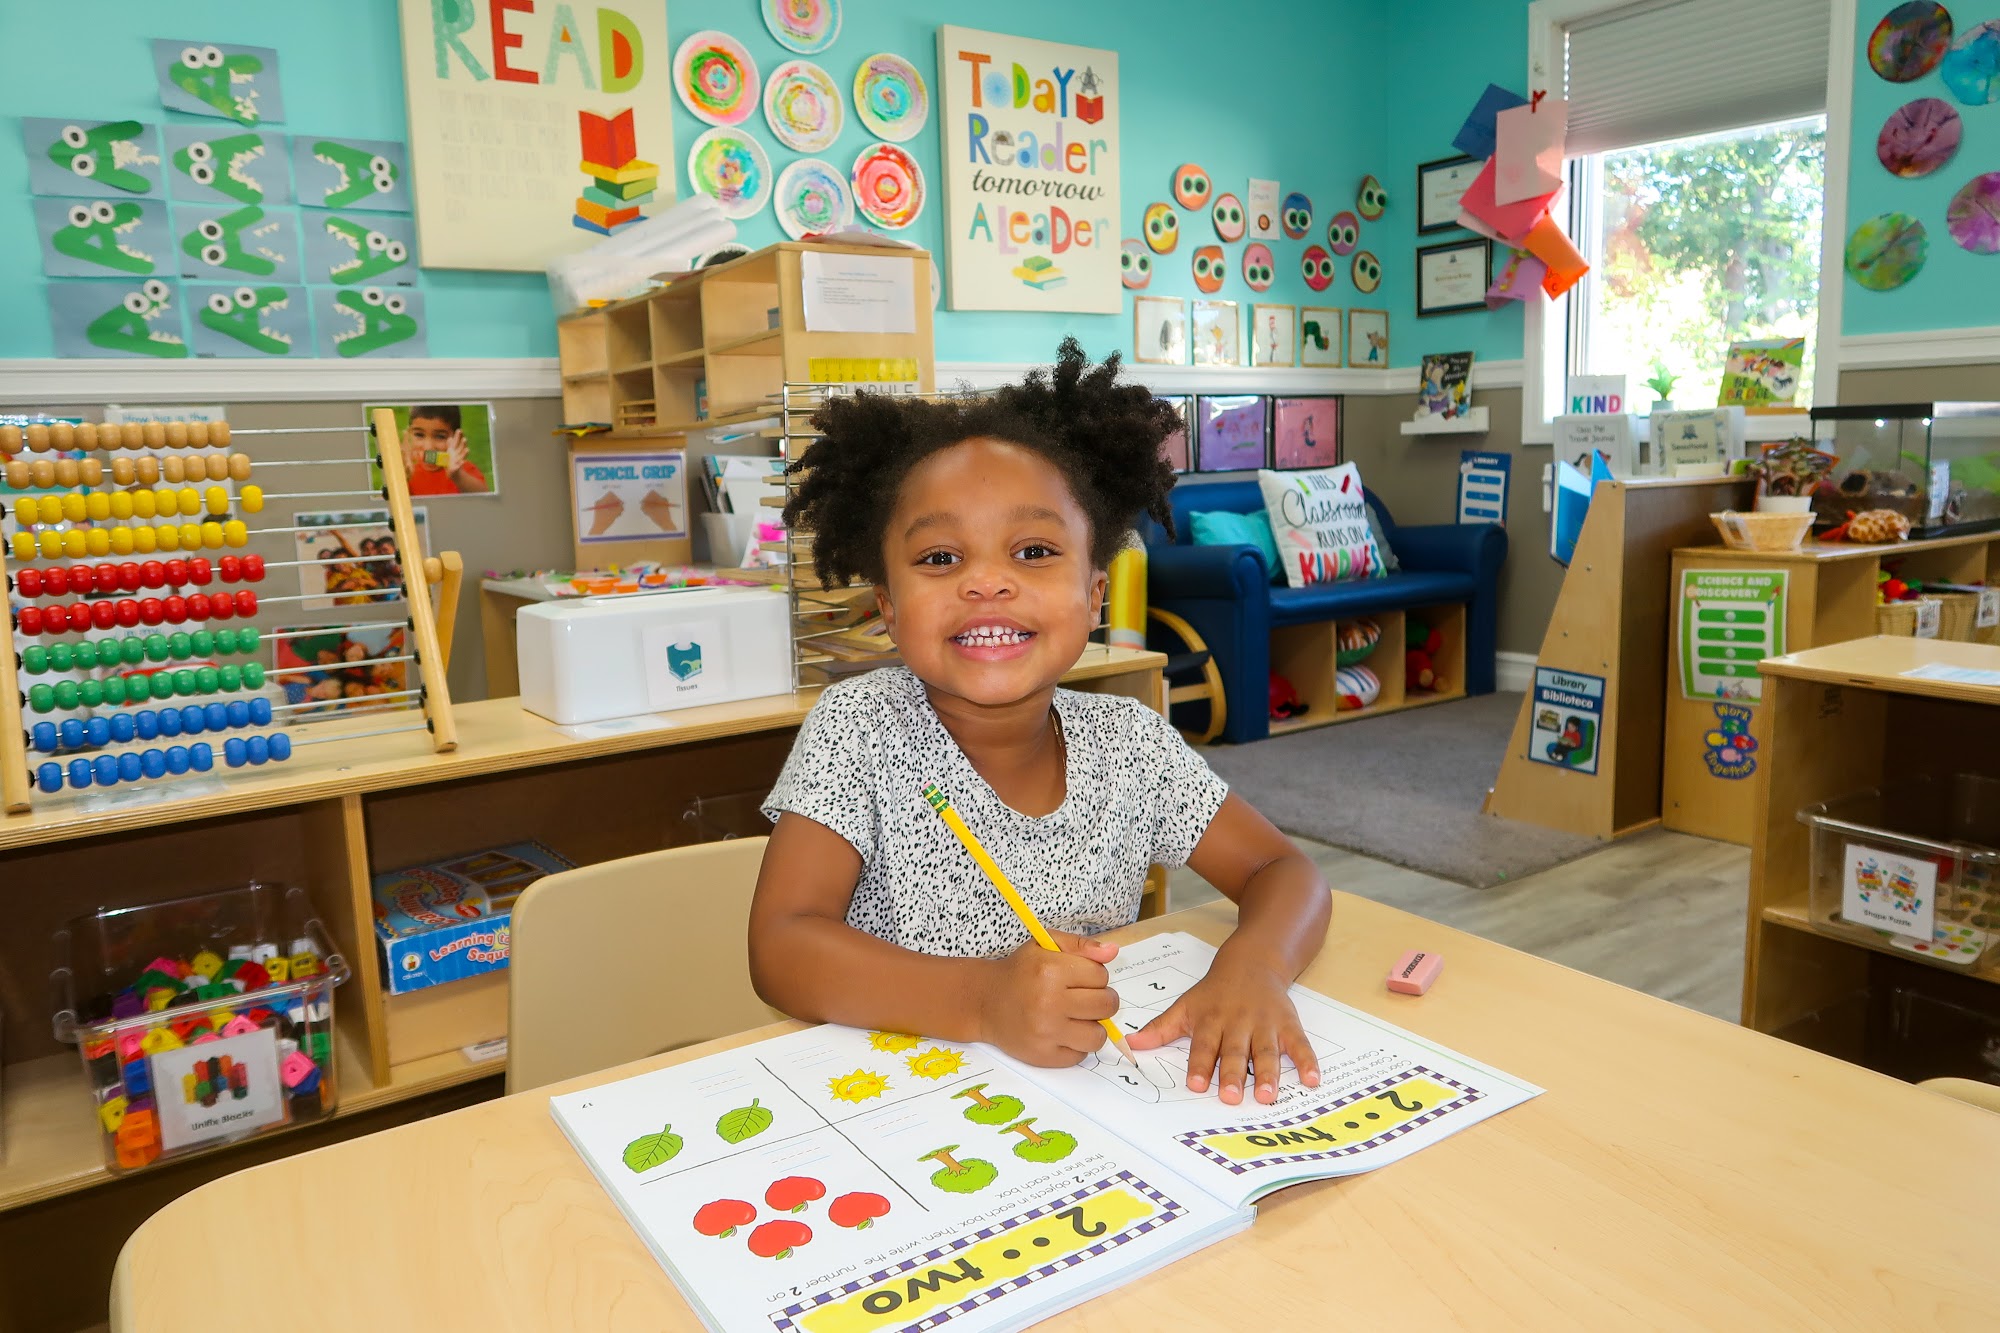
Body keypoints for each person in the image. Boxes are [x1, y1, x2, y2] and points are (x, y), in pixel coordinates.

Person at [751, 339, 1331, 1106]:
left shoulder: (1130, 743)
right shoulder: (860, 728)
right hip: (905, 1102)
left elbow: (1286, 872)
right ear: (887, 607)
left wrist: (1254, 966)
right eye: (939, 558)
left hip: (1094, 1101)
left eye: (1033, 550)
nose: (987, 581)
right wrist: (983, 1000)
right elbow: (782, 947)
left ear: (1094, 596)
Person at [399, 404, 487, 496]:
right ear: (409, 434)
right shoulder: (408, 470)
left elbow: (485, 497)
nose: (428, 447)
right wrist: (400, 477)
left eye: (440, 437)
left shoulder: (463, 469)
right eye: (419, 435)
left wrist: (457, 476)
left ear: (457, 438)